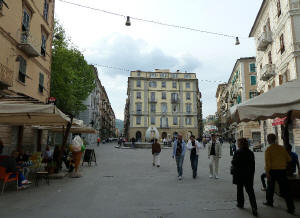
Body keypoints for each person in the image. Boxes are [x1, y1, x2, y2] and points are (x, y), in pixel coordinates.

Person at [264, 134, 295, 214]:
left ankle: (270, 202)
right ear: (275, 139)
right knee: (286, 189)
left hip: (273, 171)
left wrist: (267, 173)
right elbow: (289, 159)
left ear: (268, 140)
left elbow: (268, 163)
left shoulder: (269, 149)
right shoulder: (282, 148)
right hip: (282, 171)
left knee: (270, 187)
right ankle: (291, 207)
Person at [231, 138, 258, 216]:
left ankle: (240, 204)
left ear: (241, 144)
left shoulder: (237, 152)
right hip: (248, 175)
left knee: (240, 190)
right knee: (250, 191)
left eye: (238, 143)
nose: (237, 144)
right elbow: (253, 165)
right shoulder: (250, 153)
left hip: (239, 175)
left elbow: (234, 162)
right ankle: (254, 207)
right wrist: (252, 175)